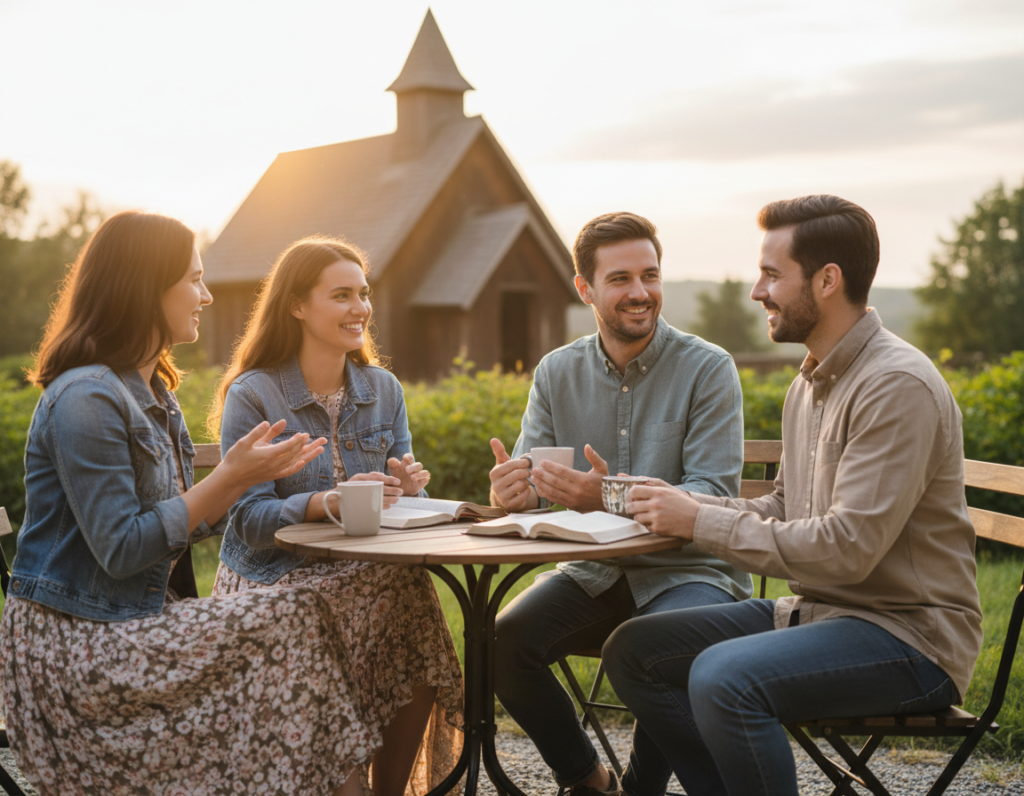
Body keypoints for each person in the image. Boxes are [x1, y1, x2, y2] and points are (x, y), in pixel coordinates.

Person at [603, 195, 984, 796]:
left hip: (910, 637)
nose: (758, 291)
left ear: (828, 280)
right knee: (632, 650)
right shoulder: (810, 382)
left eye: (772, 274)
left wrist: (701, 524)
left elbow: (846, 550)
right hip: (819, 613)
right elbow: (786, 509)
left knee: (723, 678)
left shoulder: (895, 386)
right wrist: (681, 507)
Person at [0, 211, 379, 796]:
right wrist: (226, 479)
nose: (205, 295)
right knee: (297, 619)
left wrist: (270, 487)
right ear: (146, 287)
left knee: (303, 613)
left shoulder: (156, 394)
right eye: (193, 280)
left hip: (132, 620)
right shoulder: (85, 398)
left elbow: (190, 521)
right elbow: (123, 549)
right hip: (76, 643)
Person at [487, 212, 750, 796]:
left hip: (692, 569)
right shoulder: (557, 372)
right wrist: (515, 492)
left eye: (650, 276)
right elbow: (536, 482)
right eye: (621, 279)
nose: (640, 293)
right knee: (500, 643)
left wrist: (604, 495)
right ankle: (587, 782)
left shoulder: (708, 369)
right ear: (585, 289)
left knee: (653, 645)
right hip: (597, 569)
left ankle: (641, 790)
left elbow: (712, 496)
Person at [208, 235, 463, 796]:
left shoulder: (382, 389)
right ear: (297, 305)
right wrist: (327, 503)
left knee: (413, 597)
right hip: (275, 575)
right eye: (342, 295)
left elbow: (399, 498)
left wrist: (410, 488)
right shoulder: (254, 394)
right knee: (319, 613)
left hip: (366, 569)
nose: (361, 309)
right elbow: (248, 519)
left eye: (364, 294)